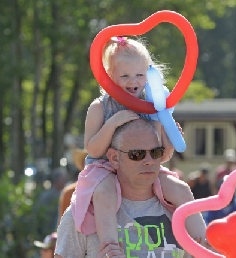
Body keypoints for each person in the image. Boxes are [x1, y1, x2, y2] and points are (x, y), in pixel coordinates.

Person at [75, 36, 186, 248]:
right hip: (105, 168)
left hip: (142, 167)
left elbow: (161, 155)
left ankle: (201, 241)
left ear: (149, 75)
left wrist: (169, 139)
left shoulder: (151, 107)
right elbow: (93, 148)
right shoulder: (100, 108)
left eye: (139, 75)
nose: (133, 81)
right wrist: (113, 123)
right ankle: (109, 245)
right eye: (125, 75)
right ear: (109, 76)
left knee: (179, 189)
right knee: (104, 193)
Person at [55, 119, 207, 257]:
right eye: (137, 154)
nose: (149, 161)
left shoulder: (180, 208)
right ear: (114, 158)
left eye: (155, 152)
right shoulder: (84, 213)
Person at [34, 168, 68, 238]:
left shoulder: (65, 194)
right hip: (47, 231)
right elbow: (39, 212)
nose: (65, 181)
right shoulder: (46, 196)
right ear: (56, 180)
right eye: (62, 179)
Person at [58, 148, 88, 224]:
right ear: (82, 164)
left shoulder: (112, 190)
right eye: (89, 160)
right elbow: (62, 226)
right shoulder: (69, 192)